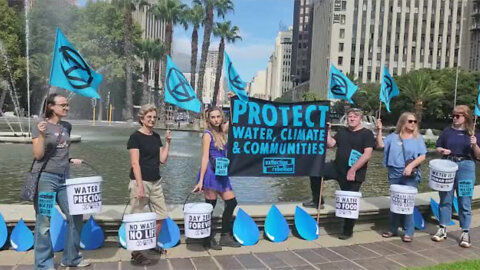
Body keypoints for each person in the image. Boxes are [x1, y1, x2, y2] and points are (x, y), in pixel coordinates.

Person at [32, 93, 89, 269]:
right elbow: (38, 155)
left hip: (65, 179)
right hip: (46, 179)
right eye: (63, 105)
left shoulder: (66, 126)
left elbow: (59, 151)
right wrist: (41, 135)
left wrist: (71, 159)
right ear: (51, 107)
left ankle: (70, 258)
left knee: (76, 215)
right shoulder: (40, 126)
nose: (67, 108)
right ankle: (43, 264)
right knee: (44, 222)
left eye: (67, 105)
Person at [306, 108, 375, 240]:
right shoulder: (343, 131)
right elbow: (331, 144)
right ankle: (317, 200)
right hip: (337, 167)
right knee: (315, 171)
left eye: (355, 116)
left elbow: (367, 154)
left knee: (349, 203)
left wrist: (353, 170)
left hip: (355, 172)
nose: (352, 118)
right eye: (349, 116)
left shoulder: (366, 134)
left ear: (360, 119)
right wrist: (327, 131)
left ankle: (347, 231)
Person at [127, 104, 171, 265]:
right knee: (137, 218)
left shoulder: (156, 136)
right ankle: (136, 252)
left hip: (156, 182)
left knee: (161, 215)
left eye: (154, 117)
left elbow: (162, 160)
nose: (152, 120)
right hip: (141, 182)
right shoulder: (135, 137)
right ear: (142, 119)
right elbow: (135, 163)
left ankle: (151, 243)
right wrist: (139, 186)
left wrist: (168, 143)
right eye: (149, 117)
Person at [193, 106, 241, 250]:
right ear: (209, 119)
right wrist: (201, 181)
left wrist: (233, 102)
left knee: (232, 202)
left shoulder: (222, 131)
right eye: (213, 117)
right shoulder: (208, 134)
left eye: (218, 117)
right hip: (211, 173)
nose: (216, 119)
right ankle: (207, 239)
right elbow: (204, 157)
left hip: (222, 173)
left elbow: (234, 118)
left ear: (221, 117)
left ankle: (225, 236)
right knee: (210, 206)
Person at [432, 105, 480, 248]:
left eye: (458, 115)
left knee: (465, 200)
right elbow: (438, 147)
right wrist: (442, 150)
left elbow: (478, 155)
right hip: (448, 165)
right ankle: (442, 228)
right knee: (445, 197)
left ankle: (465, 231)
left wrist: (475, 145)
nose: (455, 118)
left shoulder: (474, 133)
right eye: (453, 115)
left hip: (466, 166)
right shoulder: (447, 131)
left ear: (466, 117)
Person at [376, 113, 427, 242]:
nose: (413, 124)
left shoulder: (418, 138)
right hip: (394, 173)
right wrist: (380, 130)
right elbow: (381, 145)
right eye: (410, 121)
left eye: (415, 121)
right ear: (403, 122)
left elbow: (422, 156)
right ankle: (392, 229)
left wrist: (410, 167)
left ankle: (408, 231)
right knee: (395, 202)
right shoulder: (393, 137)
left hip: (410, 174)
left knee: (407, 203)